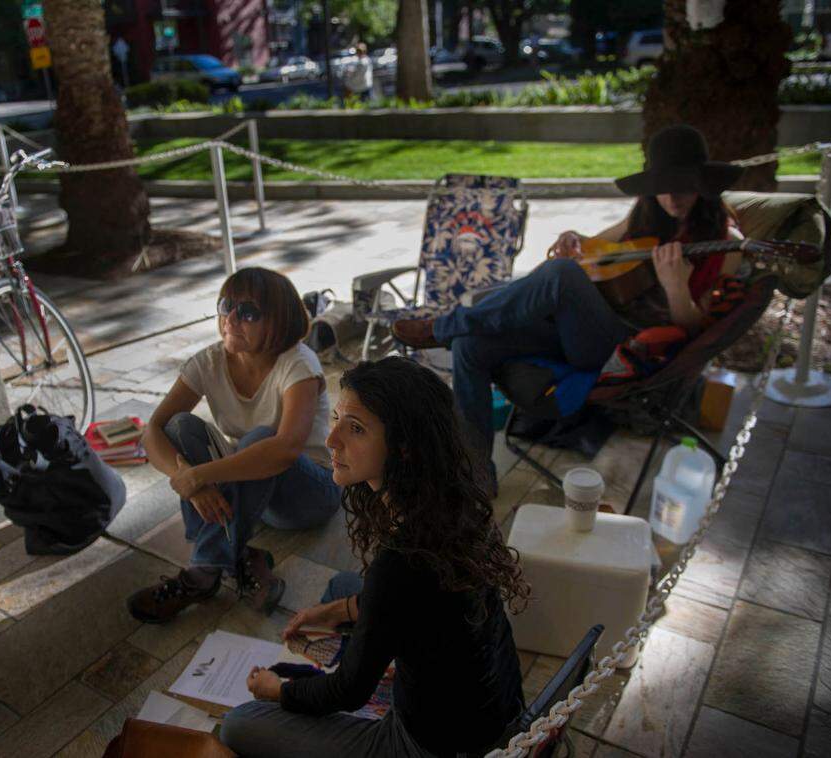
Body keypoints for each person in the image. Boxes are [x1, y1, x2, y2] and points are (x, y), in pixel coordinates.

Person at [220, 356, 528, 758]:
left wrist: (278, 690)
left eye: (356, 429)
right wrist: (342, 609)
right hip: (495, 712)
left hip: (432, 747)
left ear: (403, 448)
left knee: (239, 724)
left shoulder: (400, 562)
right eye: (336, 420)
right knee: (341, 589)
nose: (331, 440)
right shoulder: (459, 509)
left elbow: (348, 690)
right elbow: (422, 599)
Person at [391, 124, 746, 467]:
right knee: (470, 346)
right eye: (662, 186)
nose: (671, 197)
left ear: (703, 183)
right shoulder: (647, 215)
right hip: (576, 330)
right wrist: (573, 239)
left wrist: (676, 289)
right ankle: (476, 472)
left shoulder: (726, 243)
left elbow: (698, 331)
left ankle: (442, 327)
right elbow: (592, 248)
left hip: (623, 348)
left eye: (682, 186)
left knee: (559, 275)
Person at [127, 267, 342, 623]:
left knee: (261, 440)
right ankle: (231, 553)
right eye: (225, 306)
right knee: (180, 427)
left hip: (309, 494)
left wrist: (202, 475)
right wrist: (190, 481)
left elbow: (286, 448)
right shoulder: (210, 361)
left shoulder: (298, 364)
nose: (230, 319)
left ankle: (202, 571)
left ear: (278, 320)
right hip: (255, 493)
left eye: (247, 312)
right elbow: (152, 431)